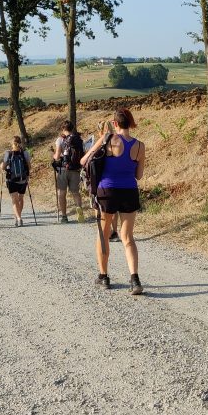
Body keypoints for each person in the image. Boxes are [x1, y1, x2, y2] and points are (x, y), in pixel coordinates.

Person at [81, 107, 145, 294]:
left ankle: (104, 276)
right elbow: (139, 175)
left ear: (115, 123)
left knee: (103, 234)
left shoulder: (108, 139)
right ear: (130, 122)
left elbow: (84, 161)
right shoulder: (140, 146)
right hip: (129, 191)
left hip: (107, 192)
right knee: (128, 237)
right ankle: (135, 279)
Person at [84, 119, 120, 241]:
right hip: (116, 180)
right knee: (114, 209)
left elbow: (84, 161)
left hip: (99, 180)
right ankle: (114, 231)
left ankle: (105, 231)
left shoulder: (101, 141)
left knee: (97, 206)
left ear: (100, 130)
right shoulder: (118, 140)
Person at [52, 120, 85, 223]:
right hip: (75, 169)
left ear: (63, 129)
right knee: (75, 192)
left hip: (63, 169)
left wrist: (53, 155)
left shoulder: (60, 140)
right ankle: (79, 208)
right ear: (72, 128)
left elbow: (57, 156)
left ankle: (64, 216)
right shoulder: (78, 139)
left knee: (62, 193)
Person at [0, 135, 31, 226]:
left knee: (14, 199)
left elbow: (3, 167)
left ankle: (18, 218)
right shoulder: (25, 152)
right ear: (20, 142)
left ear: (12, 143)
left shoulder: (8, 153)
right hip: (23, 179)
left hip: (11, 179)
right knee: (20, 198)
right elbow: (29, 166)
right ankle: (18, 216)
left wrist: (1, 166)